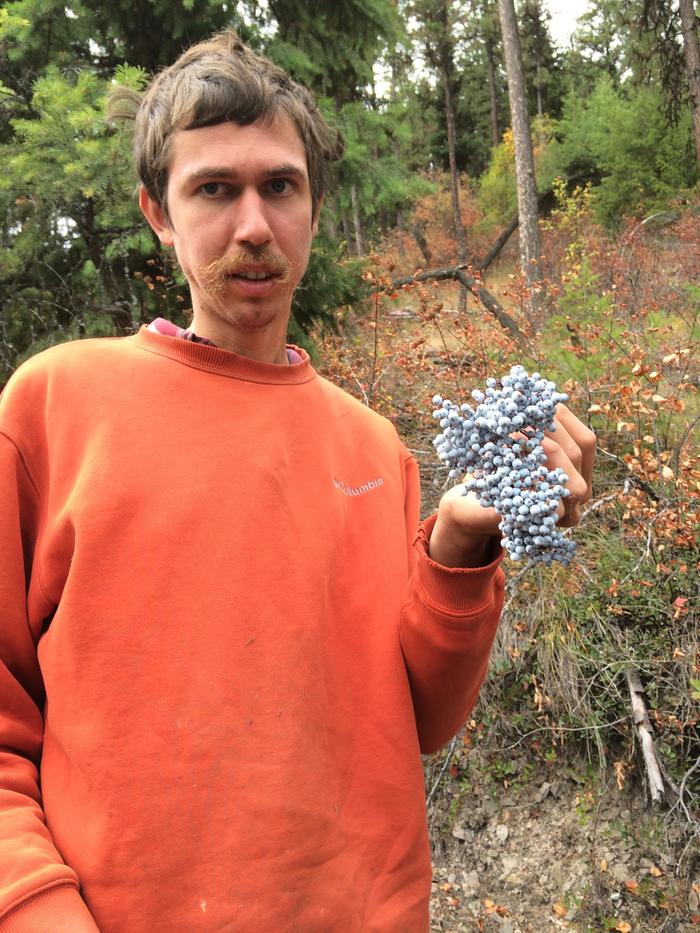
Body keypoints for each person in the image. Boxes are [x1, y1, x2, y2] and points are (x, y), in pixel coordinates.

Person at [0, 29, 595, 933]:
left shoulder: (372, 445)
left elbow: (422, 717)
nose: (253, 225)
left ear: (314, 209)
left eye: (280, 186)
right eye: (213, 189)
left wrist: (461, 544)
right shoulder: (55, 406)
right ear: (158, 211)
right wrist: (36, 909)